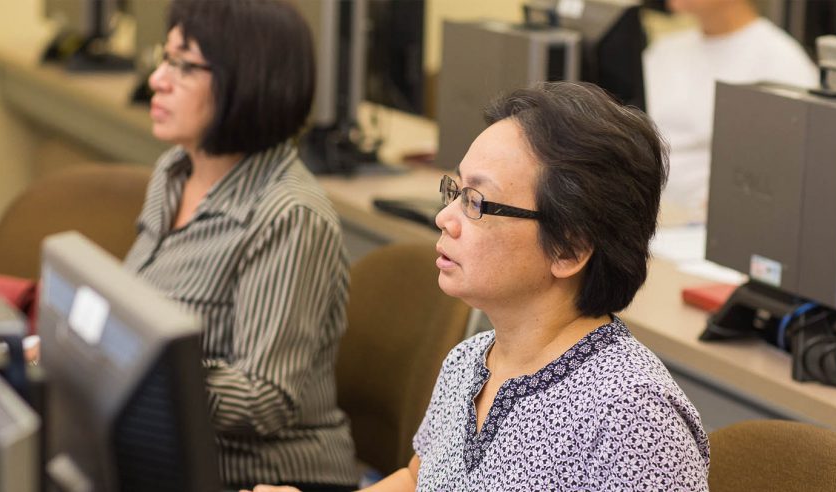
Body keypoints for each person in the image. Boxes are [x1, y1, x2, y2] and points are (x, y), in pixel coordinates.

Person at [247, 81, 710, 491]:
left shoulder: (633, 417)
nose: (443, 218)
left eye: (477, 202)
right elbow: (417, 478)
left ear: (568, 249)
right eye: (455, 191)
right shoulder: (472, 360)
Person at [122, 0, 357, 490]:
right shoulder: (173, 172)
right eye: (164, 59)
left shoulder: (289, 215)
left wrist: (139, 369)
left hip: (263, 478)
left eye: (183, 66)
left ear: (246, 81)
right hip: (168, 454)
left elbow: (264, 399)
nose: (156, 80)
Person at [644, 0, 817, 213]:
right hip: (645, 211)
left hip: (704, 225)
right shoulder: (665, 49)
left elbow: (781, 176)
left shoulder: (782, 63)